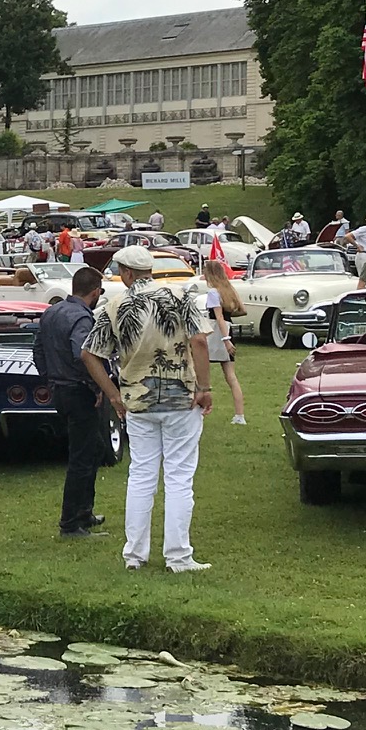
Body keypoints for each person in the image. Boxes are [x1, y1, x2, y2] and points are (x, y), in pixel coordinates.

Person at [98, 245, 213, 572]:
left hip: (137, 402)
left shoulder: (114, 305)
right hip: (181, 399)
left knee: (141, 476)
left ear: (128, 273)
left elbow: (90, 353)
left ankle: (134, 555)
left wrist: (113, 394)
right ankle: (178, 556)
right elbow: (200, 341)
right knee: (179, 478)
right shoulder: (180, 296)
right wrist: (204, 387)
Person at [33, 265, 123, 538]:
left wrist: (49, 377)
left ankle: (84, 510)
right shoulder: (83, 319)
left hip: (61, 390)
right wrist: (97, 386)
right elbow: (84, 354)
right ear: (96, 292)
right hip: (79, 391)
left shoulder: (52, 311)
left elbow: (38, 350)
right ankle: (71, 523)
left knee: (94, 449)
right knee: (82, 457)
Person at [200, 258, 246, 424]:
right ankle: (239, 415)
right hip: (229, 328)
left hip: (216, 332)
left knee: (200, 370)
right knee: (231, 376)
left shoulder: (213, 292)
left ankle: (198, 409)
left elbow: (218, 317)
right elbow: (242, 310)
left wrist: (225, 339)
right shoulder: (229, 289)